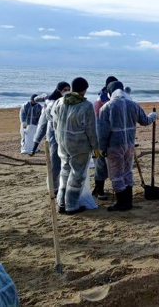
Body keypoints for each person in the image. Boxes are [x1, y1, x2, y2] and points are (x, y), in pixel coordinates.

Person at [97, 81, 157, 212]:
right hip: (129, 144)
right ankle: (128, 200)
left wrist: (101, 148)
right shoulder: (133, 105)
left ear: (110, 92)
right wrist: (154, 115)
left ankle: (121, 202)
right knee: (127, 171)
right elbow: (145, 121)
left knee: (116, 173)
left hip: (114, 145)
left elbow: (103, 132)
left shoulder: (107, 107)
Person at [51, 77, 99, 215]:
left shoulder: (60, 102)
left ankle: (61, 203)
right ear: (84, 90)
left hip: (62, 142)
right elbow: (91, 130)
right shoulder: (85, 105)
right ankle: (71, 205)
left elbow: (54, 123)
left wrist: (58, 138)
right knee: (77, 175)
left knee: (65, 172)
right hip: (79, 145)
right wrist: (95, 147)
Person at [32, 81, 70, 195]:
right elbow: (43, 125)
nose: (67, 92)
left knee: (65, 163)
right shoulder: (51, 102)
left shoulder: (65, 102)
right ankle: (53, 187)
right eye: (65, 89)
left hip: (64, 135)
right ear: (59, 90)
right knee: (55, 163)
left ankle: (61, 185)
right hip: (53, 135)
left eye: (69, 89)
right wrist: (36, 143)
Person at [92, 76, 118, 201]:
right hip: (100, 136)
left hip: (111, 135)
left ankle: (98, 188)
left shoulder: (111, 98)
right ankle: (99, 189)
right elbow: (99, 123)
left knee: (106, 164)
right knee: (100, 163)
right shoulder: (100, 101)